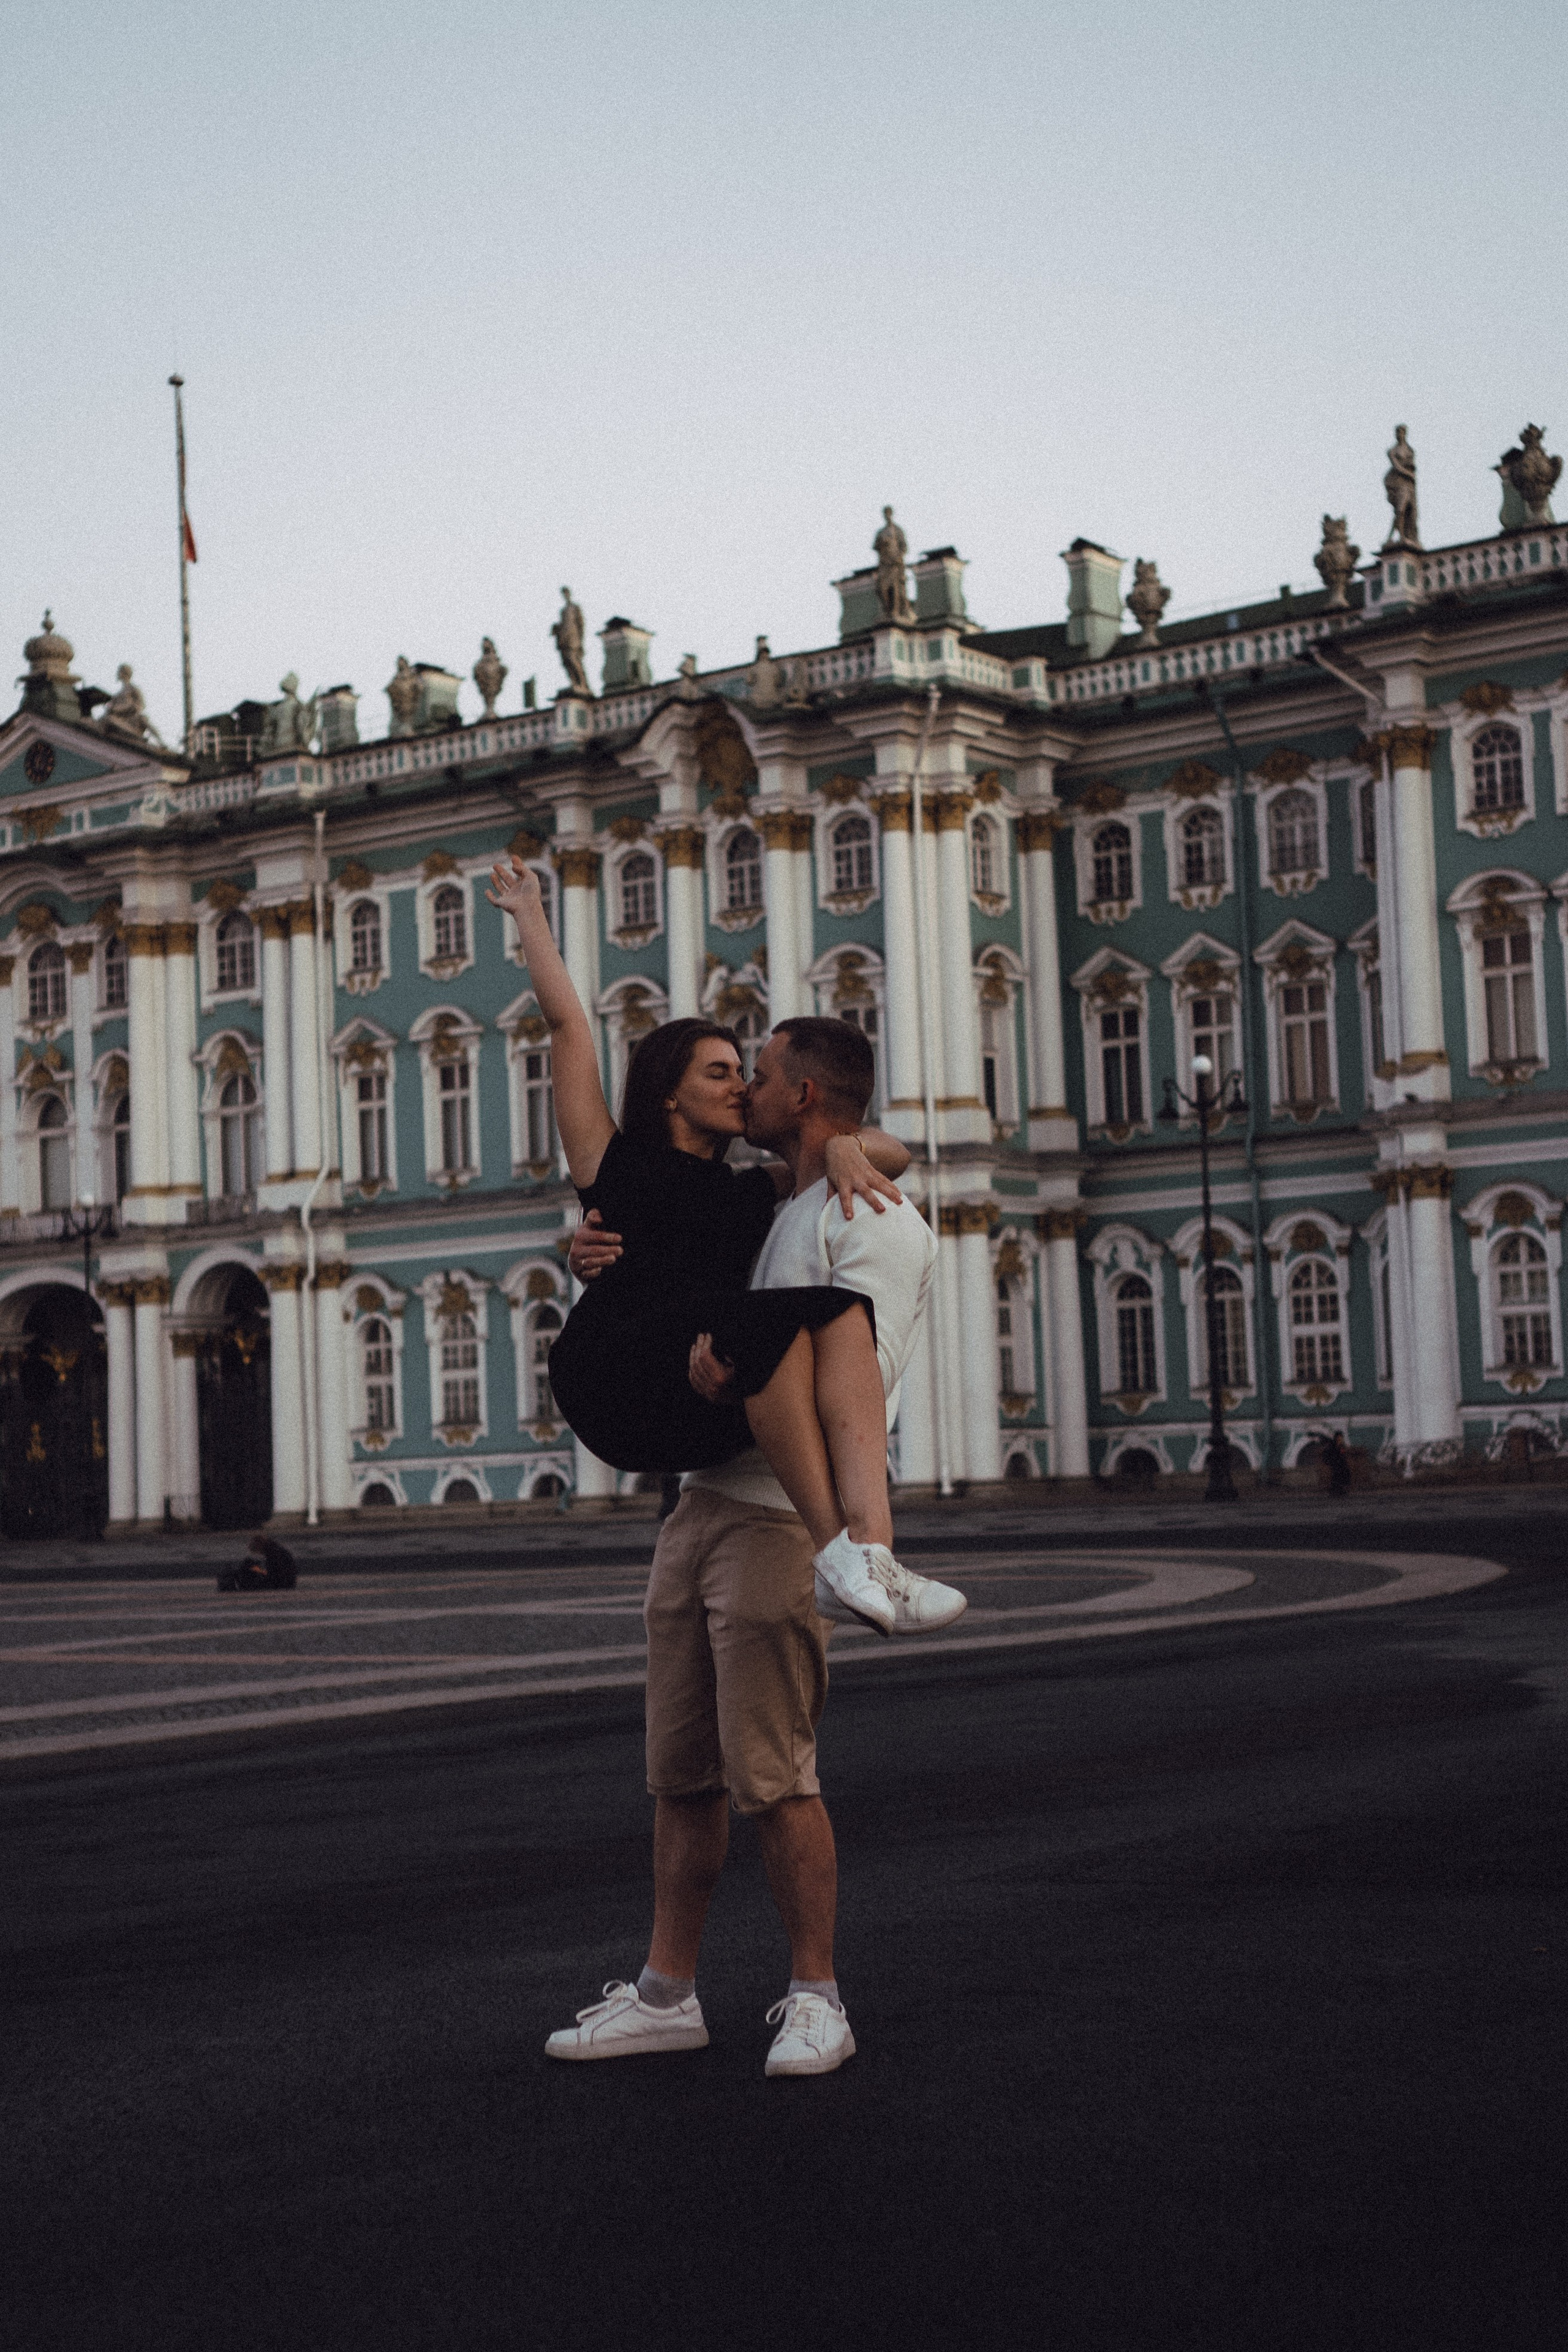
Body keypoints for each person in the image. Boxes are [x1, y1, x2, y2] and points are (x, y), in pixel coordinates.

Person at [546, 1016, 962, 2076]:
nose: (747, 1092)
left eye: (761, 1074)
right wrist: (597, 1257)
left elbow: (848, 1370)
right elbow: (682, 1279)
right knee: (680, 1772)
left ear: (806, 1099)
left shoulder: (870, 1216)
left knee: (775, 1776)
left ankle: (818, 1994)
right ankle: (666, 1993)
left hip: (781, 1519)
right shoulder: (778, 1203)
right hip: (699, 1509)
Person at [485, 852, 929, 1637]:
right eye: (720, 1072)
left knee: (822, 1316)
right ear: (668, 1090)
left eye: (744, 1073)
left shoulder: (750, 1187)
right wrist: (530, 917)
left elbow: (897, 1154)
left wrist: (843, 1148)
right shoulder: (609, 1163)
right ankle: (848, 1550)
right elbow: (567, 1025)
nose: (739, 1087)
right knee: (816, 1312)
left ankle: (861, 1553)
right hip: (613, 1370)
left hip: (698, 1387)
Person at [217, 1533, 296, 1593]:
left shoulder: (274, 1553)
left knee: (248, 1569)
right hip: (285, 1582)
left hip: (281, 1584)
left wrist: (258, 1571)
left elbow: (273, 1574)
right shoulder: (276, 1550)